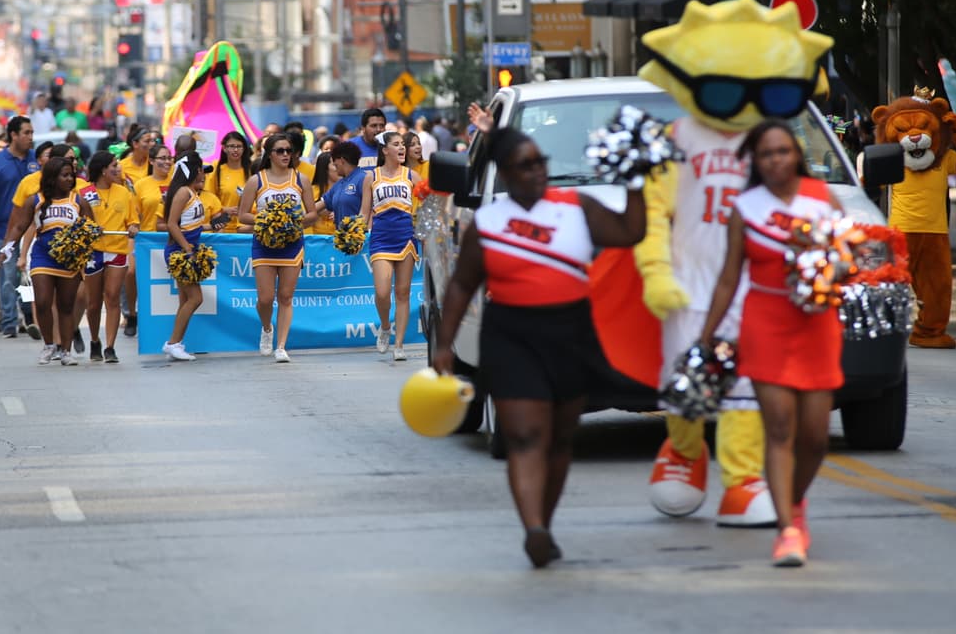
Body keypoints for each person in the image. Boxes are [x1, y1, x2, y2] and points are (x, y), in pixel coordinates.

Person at [431, 127, 646, 567]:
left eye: (540, 161)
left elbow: (630, 232)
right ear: (506, 173)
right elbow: (461, 286)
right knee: (526, 436)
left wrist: (636, 181)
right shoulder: (487, 224)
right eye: (525, 165)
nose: (537, 171)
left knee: (560, 438)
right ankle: (533, 529)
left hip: (571, 333)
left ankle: (543, 524)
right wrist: (444, 344)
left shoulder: (577, 207)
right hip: (512, 336)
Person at [698, 121, 844, 567]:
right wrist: (707, 336)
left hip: (817, 323)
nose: (776, 160)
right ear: (756, 162)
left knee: (815, 438)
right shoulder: (746, 208)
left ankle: (794, 503)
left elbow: (849, 259)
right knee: (779, 429)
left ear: (796, 154)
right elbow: (729, 277)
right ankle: (787, 531)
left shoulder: (822, 197)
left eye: (783, 151)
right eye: (767, 154)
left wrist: (836, 270)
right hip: (766, 324)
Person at [0, 157, 95, 366]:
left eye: (71, 175)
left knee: (66, 306)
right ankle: (49, 344)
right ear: (52, 178)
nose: (69, 179)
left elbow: (91, 228)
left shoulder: (79, 201)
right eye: (64, 175)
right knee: (42, 302)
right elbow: (20, 226)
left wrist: (82, 249)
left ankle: (66, 351)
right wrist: (7, 248)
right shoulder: (35, 200)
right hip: (43, 255)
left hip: (69, 260)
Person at [238, 133, 316, 363]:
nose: (285, 154)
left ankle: (281, 346)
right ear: (269, 154)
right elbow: (243, 215)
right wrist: (268, 220)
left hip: (292, 244)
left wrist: (292, 222)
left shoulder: (301, 179)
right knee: (265, 298)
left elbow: (312, 213)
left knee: (286, 296)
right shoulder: (256, 180)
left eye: (288, 150)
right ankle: (267, 328)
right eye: (280, 151)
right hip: (264, 244)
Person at [0, 116, 38, 339]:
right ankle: (9, 321)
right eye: (26, 133)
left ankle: (30, 317)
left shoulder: (36, 160)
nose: (30, 137)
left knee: (29, 276)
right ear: (13, 135)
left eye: (32, 133)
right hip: (4, 229)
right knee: (8, 276)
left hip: (33, 230)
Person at [361, 131, 421, 361]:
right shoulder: (371, 176)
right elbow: (364, 212)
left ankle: (399, 345)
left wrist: (423, 223)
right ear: (385, 150)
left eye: (403, 144)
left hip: (405, 237)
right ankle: (385, 326)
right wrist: (353, 231)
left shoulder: (412, 175)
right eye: (396, 144)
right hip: (381, 238)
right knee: (382, 292)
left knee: (403, 292)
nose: (402, 148)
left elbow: (430, 203)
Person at [81, 151, 139, 362]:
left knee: (113, 296)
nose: (118, 169)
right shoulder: (84, 192)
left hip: (117, 249)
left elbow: (133, 220)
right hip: (92, 252)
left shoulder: (124, 192)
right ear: (103, 170)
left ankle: (110, 347)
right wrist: (90, 228)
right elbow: (78, 221)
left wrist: (133, 227)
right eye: (114, 165)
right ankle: (95, 340)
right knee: (93, 303)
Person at [158, 152, 207, 361]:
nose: (203, 174)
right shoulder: (182, 192)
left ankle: (175, 343)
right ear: (195, 170)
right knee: (196, 298)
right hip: (180, 251)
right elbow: (171, 224)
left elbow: (190, 223)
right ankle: (172, 343)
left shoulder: (191, 191)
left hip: (187, 249)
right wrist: (187, 249)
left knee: (185, 300)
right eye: (202, 169)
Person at [125, 143, 176, 337]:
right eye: (162, 158)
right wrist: (134, 226)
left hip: (172, 238)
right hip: (147, 241)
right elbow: (134, 213)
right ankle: (132, 314)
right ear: (152, 161)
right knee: (133, 274)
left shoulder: (177, 183)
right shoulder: (141, 185)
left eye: (169, 158)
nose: (167, 162)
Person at [206, 131, 249, 232]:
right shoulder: (217, 169)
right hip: (222, 227)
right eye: (232, 146)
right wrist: (224, 209)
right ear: (224, 148)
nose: (235, 150)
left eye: (239, 146)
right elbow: (208, 199)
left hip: (246, 228)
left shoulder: (250, 170)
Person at [319, 142, 367, 230]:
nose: (335, 168)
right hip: (341, 236)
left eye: (335, 164)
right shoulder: (338, 185)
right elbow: (319, 206)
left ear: (341, 160)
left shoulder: (364, 179)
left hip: (360, 235)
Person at [308, 152, 339, 235]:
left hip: (341, 236)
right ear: (325, 168)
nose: (339, 167)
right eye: (335, 164)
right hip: (317, 238)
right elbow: (307, 213)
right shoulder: (312, 190)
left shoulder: (349, 188)